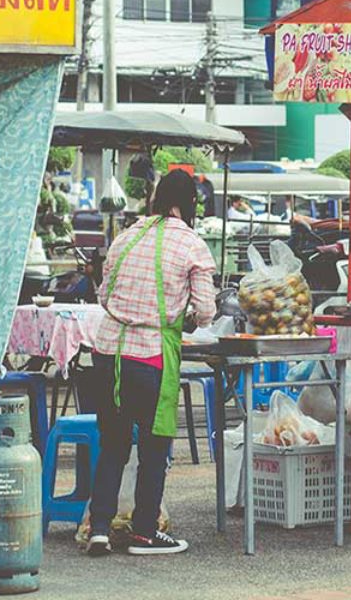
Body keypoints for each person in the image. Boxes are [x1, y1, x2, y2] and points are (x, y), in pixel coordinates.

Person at [87, 170, 216, 557]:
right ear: (188, 203)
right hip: (150, 356)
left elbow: (104, 295)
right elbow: (206, 311)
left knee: (112, 445)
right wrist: (185, 317)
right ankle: (145, 531)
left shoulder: (126, 236)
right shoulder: (191, 243)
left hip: (107, 353)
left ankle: (99, 529)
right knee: (154, 447)